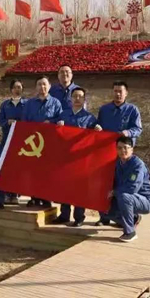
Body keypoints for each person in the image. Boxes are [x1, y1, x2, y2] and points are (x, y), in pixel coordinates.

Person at [94, 136, 150, 242]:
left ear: (132, 149)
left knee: (125, 196)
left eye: (126, 148)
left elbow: (133, 188)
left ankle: (130, 232)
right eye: (119, 148)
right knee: (103, 206)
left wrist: (114, 192)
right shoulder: (117, 164)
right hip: (126, 197)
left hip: (145, 200)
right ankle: (134, 219)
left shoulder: (137, 165)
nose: (123, 150)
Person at [52, 87, 97, 227]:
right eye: (75, 96)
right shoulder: (63, 115)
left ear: (84, 99)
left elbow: (95, 139)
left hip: (81, 158)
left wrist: (98, 131)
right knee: (65, 186)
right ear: (70, 99)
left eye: (80, 96)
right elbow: (55, 136)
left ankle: (79, 217)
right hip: (66, 157)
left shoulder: (90, 118)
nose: (77, 99)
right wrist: (57, 127)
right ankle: (64, 215)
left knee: (79, 188)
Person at [22, 76, 63, 208]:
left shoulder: (56, 103)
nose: (42, 87)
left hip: (49, 143)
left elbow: (60, 120)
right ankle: (34, 197)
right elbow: (24, 122)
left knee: (47, 171)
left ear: (49, 86)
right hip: (33, 142)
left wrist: (50, 122)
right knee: (33, 170)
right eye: (39, 84)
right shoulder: (29, 104)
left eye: (44, 84)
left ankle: (45, 197)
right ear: (36, 87)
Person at [0, 79, 27, 205]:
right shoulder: (5, 105)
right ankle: (7, 193)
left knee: (19, 167)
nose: (17, 89)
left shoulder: (27, 104)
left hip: (22, 141)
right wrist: (7, 122)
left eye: (19, 87)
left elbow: (29, 120)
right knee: (7, 166)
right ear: (11, 89)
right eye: (14, 87)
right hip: (7, 139)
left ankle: (16, 194)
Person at [95, 80, 143, 145]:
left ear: (126, 93)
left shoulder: (132, 109)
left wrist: (128, 132)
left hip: (124, 146)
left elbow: (138, 129)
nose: (117, 94)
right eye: (115, 91)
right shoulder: (104, 109)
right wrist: (98, 128)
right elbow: (98, 125)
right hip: (107, 145)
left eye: (120, 91)